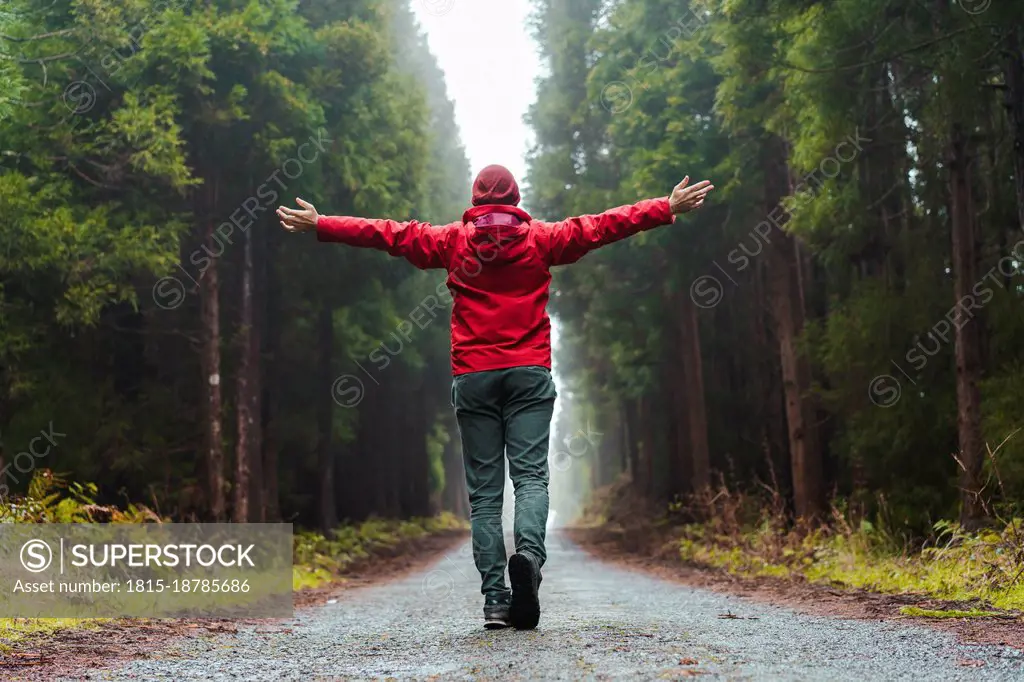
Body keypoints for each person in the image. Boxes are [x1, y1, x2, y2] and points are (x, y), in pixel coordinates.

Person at [277, 165, 713, 630]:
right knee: (529, 480)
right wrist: (664, 207)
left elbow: (387, 233)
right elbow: (605, 224)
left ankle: (495, 600)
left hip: (474, 377)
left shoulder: (451, 241)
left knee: (485, 497)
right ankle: (528, 557)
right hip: (528, 373)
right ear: (515, 197)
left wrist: (322, 223)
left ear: (475, 198)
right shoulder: (543, 238)